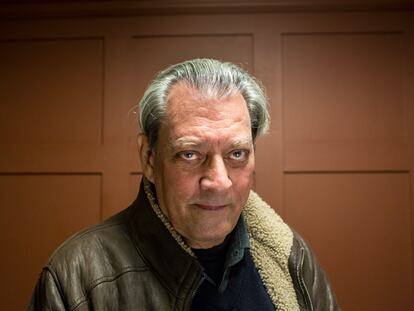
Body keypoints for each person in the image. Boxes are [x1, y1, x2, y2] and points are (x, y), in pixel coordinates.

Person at [29, 58, 340, 311]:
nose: (218, 181)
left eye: (237, 154)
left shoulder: (291, 257)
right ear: (149, 158)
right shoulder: (76, 275)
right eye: (190, 154)